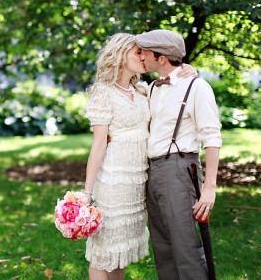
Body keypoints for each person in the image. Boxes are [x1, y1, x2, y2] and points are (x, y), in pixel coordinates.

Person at [82, 33, 196, 280]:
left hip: (138, 181)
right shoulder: (104, 92)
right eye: (138, 53)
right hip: (114, 181)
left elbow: (172, 79)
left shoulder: (143, 90)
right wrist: (87, 192)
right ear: (121, 55)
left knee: (120, 252)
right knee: (104, 252)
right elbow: (99, 145)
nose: (143, 58)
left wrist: (187, 68)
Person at [135, 29, 222, 280]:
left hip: (179, 170)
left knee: (186, 250)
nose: (141, 57)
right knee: (163, 250)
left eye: (145, 52)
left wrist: (209, 187)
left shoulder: (197, 86)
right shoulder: (151, 88)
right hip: (154, 172)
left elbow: (212, 136)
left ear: (161, 58)